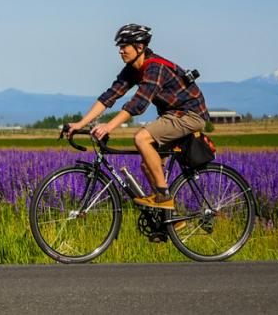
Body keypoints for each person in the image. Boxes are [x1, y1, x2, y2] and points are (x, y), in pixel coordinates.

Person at [66, 23, 208, 210]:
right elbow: (110, 96)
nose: (120, 51)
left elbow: (138, 103)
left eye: (124, 46)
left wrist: (108, 127)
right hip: (172, 114)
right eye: (119, 47)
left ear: (139, 47)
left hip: (189, 114)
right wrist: (80, 123)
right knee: (147, 166)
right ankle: (169, 220)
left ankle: (163, 197)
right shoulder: (133, 69)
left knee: (141, 138)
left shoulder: (154, 67)